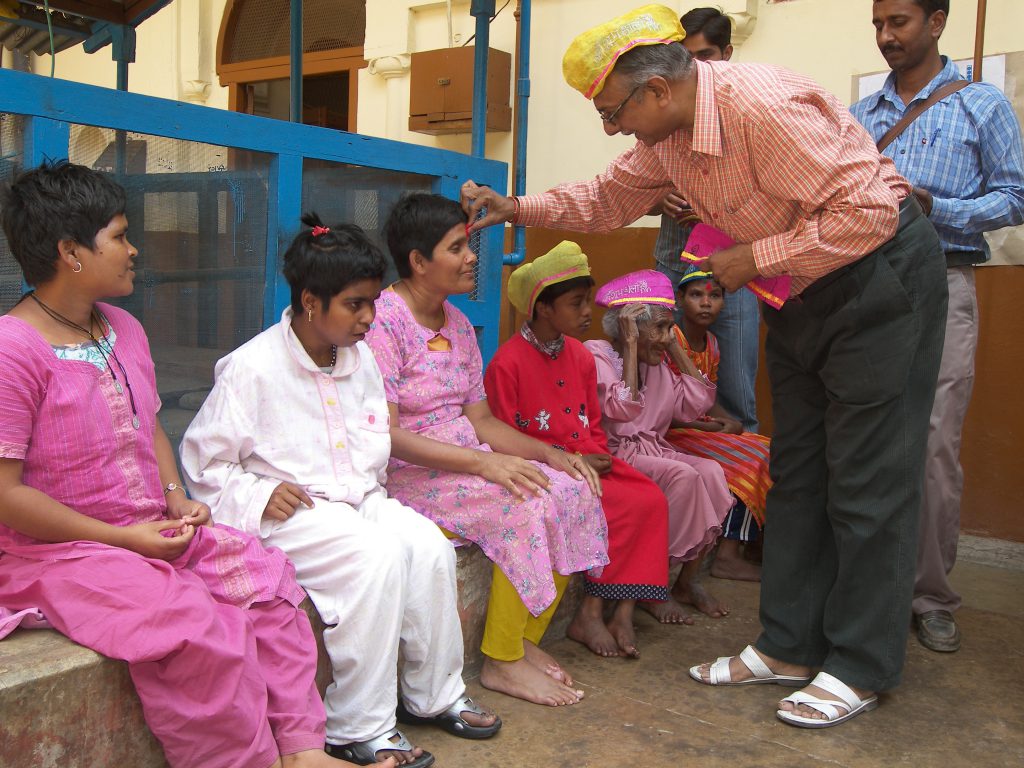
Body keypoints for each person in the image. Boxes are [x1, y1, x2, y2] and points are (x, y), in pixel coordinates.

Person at [460, 4, 947, 728]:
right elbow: (605, 198)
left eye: (613, 110)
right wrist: (517, 207)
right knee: (800, 478)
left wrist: (753, 258)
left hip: (877, 284)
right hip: (800, 295)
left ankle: (860, 664)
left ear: (656, 91)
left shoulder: (763, 107)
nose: (611, 128)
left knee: (868, 485)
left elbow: (869, 213)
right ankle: (787, 644)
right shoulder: (671, 138)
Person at [0, 162, 385, 768]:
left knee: (266, 584)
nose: (134, 250)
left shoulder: (121, 328)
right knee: (201, 629)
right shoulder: (12, 350)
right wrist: (123, 538)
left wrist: (175, 496)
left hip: (147, 526)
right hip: (58, 550)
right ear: (71, 252)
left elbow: (144, 420)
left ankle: (306, 752)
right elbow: (6, 495)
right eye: (121, 236)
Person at [180, 215, 500, 768]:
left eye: (372, 302)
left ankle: (433, 696)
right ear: (310, 301)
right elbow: (203, 465)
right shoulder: (252, 368)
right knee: (372, 559)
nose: (368, 318)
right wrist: (257, 494)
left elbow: (371, 446)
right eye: (354, 305)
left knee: (426, 548)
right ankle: (360, 726)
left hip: (360, 501)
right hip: (296, 513)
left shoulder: (361, 360)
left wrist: (366, 494)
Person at [364, 193, 609, 708]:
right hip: (413, 471)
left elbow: (480, 419)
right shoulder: (384, 322)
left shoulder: (456, 322)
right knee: (523, 506)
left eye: (469, 244)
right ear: (418, 262)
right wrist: (484, 463)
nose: (473, 256)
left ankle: (521, 639)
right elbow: (385, 435)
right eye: (457, 247)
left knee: (571, 491)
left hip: (469, 458)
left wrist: (548, 454)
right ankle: (500, 660)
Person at [850, 0, 1024, 654]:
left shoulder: (982, 105)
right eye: (877, 25)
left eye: (898, 22)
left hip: (944, 281)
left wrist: (936, 206)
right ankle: (868, 587)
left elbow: (1017, 196)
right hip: (865, 288)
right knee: (864, 437)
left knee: (932, 443)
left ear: (937, 20)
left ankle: (929, 595)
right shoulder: (860, 119)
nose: (886, 36)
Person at [483, 240, 670, 658]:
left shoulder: (582, 357)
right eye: (576, 303)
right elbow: (502, 437)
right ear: (543, 308)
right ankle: (589, 611)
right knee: (619, 503)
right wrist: (573, 462)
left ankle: (622, 611)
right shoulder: (506, 364)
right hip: (546, 467)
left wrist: (597, 455)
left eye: (587, 301)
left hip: (587, 461)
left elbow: (593, 423)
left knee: (651, 499)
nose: (588, 312)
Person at [584, 269, 732, 623]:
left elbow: (695, 405)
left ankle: (684, 581)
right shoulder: (599, 353)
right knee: (683, 476)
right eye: (662, 329)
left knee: (711, 472)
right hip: (619, 452)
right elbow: (621, 410)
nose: (668, 337)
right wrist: (633, 346)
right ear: (629, 329)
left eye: (670, 328)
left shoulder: (662, 360)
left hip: (654, 451)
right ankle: (654, 585)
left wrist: (676, 350)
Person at [651, 6, 760, 433]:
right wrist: (660, 198)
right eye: (686, 57)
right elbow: (627, 196)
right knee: (663, 393)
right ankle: (680, 488)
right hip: (672, 264)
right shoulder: (663, 114)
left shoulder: (747, 111)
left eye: (706, 55)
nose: (695, 68)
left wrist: (715, 205)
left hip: (734, 273)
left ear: (728, 53)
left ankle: (742, 500)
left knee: (735, 398)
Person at [664, 270, 770, 583]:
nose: (706, 303)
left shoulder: (711, 343)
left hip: (700, 429)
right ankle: (726, 556)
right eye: (696, 295)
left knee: (762, 445)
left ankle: (744, 545)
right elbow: (663, 409)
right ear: (680, 300)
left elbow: (708, 400)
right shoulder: (671, 339)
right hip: (674, 432)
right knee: (752, 459)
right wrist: (710, 428)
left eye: (714, 295)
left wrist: (731, 421)